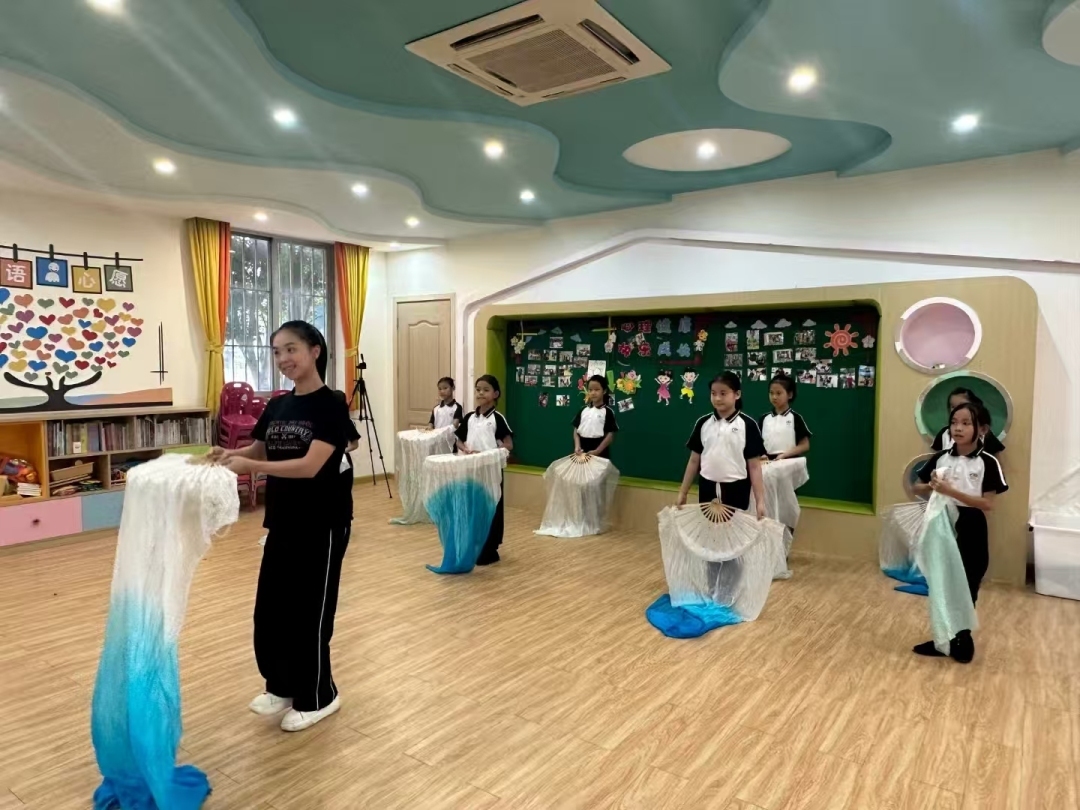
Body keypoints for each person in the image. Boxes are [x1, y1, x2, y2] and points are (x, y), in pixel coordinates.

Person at [211, 320, 355, 732]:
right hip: (282, 521)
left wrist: (250, 465)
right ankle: (282, 685)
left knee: (309, 614)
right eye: (276, 352)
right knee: (272, 611)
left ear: (314, 351)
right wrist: (228, 454)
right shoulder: (277, 406)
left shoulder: (331, 405)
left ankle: (319, 696)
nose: (283, 359)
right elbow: (259, 449)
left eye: (291, 349)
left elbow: (311, 466)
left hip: (322, 523)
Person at [913, 401, 1008, 663]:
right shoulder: (941, 457)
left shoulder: (987, 462)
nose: (958, 428)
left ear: (982, 429)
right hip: (942, 523)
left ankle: (962, 638)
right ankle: (942, 638)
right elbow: (917, 487)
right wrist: (931, 485)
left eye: (966, 423)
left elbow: (987, 503)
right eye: (954, 422)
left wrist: (951, 491)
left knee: (967, 582)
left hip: (971, 523)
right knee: (941, 579)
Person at [677, 372, 766, 517]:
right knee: (709, 528)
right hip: (707, 488)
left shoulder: (748, 425)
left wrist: (760, 501)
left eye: (723, 393)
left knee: (734, 529)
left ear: (737, 394)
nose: (717, 398)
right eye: (713, 393)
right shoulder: (703, 423)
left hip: (737, 489)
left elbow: (755, 467)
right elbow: (694, 461)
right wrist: (683, 492)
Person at [455, 375, 514, 565]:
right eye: (478, 389)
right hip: (471, 469)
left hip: (490, 471)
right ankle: (474, 543)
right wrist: (465, 449)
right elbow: (459, 440)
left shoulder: (497, 418)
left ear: (495, 394)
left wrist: (490, 453)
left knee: (491, 506)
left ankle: (490, 548)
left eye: (486, 390)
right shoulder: (469, 418)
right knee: (473, 505)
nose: (480, 393)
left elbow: (508, 444)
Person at [931, 387, 1005, 455]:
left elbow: (997, 458)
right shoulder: (944, 433)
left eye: (962, 405)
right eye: (953, 406)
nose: (957, 410)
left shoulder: (983, 432)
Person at [759, 373, 812, 460]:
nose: (774, 397)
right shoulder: (764, 419)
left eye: (779, 393)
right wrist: (761, 454)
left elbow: (805, 445)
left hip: (790, 463)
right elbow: (757, 443)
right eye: (771, 393)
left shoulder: (795, 418)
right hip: (768, 464)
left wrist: (785, 455)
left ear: (790, 395)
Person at [573, 375, 618, 459]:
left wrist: (597, 451)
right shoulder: (583, 409)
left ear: (604, 391)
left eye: (597, 390)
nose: (593, 393)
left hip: (600, 451)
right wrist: (577, 446)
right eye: (590, 390)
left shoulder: (608, 412)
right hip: (581, 451)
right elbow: (576, 429)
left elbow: (610, 435)